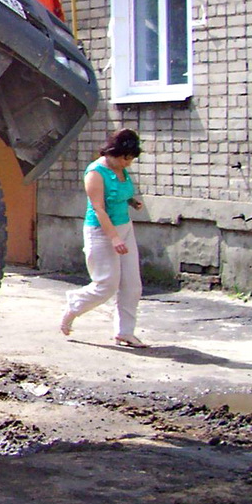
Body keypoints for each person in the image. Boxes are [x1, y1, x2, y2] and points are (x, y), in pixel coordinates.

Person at [61, 128, 147, 348]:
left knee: (132, 284)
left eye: (131, 159)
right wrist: (114, 238)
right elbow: (99, 208)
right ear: (113, 153)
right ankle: (74, 307)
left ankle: (125, 332)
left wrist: (132, 201)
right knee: (106, 285)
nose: (129, 163)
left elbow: (118, 193)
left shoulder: (121, 169)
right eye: (126, 158)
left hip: (124, 227)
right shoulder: (95, 173)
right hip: (101, 232)